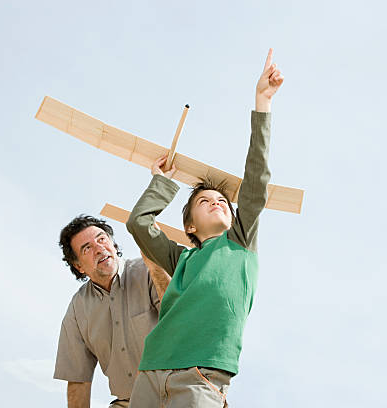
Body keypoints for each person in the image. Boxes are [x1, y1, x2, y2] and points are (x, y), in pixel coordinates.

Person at [126, 48, 284, 407]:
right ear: (189, 225)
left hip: (202, 376)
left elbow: (257, 176)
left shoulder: (240, 243)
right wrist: (161, 183)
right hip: (151, 373)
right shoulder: (180, 259)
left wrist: (263, 102)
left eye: (222, 202)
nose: (216, 202)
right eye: (204, 201)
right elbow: (138, 223)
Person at [54, 215, 170, 408]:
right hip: (129, 402)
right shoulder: (78, 308)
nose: (99, 248)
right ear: (79, 266)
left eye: (102, 239)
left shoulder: (148, 270)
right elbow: (78, 380)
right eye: (87, 248)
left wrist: (157, 265)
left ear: (114, 245)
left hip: (178, 392)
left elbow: (180, 317)